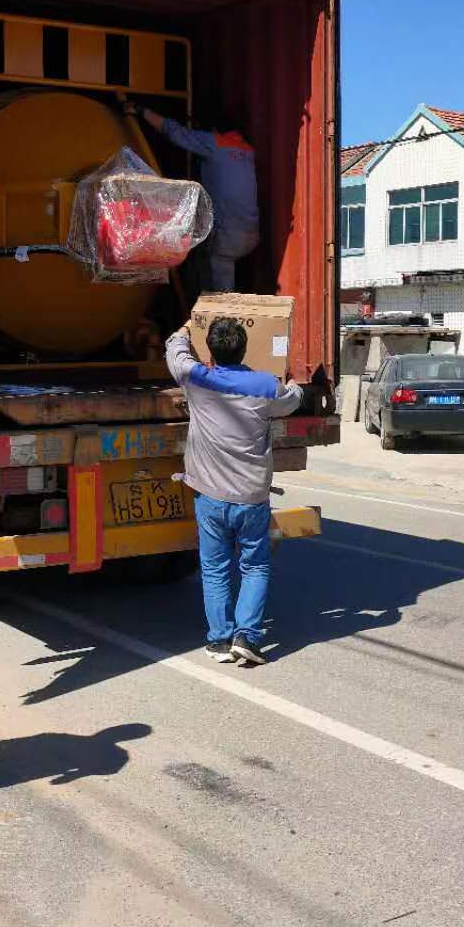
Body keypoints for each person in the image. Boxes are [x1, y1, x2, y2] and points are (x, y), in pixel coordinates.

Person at [166, 317, 302, 665]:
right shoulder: (265, 385)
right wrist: (295, 384)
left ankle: (220, 641)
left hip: (210, 495)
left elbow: (176, 354)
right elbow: (292, 400)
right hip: (251, 496)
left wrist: (184, 331)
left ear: (211, 352)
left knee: (215, 569)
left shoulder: (197, 379)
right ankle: (248, 637)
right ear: (245, 349)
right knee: (255, 566)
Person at [122, 100, 260, 292]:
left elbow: (174, 132)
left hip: (227, 239)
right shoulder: (246, 149)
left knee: (221, 294)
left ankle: (214, 306)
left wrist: (141, 110)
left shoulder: (214, 143)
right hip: (251, 235)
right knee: (204, 259)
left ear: (213, 129)